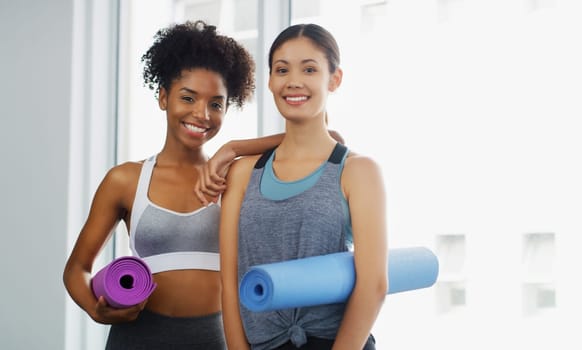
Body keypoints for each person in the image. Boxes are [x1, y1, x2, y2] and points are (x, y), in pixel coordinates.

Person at [62, 20, 298, 350]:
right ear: (163, 97)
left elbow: (328, 139)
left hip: (216, 337)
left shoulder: (233, 176)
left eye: (216, 104)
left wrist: (232, 148)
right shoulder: (126, 180)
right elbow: (76, 270)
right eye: (188, 98)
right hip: (138, 337)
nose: (202, 114)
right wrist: (96, 310)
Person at [217, 23, 388, 350]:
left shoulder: (358, 172)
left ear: (334, 80)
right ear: (270, 80)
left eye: (309, 69)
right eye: (282, 70)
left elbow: (374, 285)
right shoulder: (242, 174)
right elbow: (229, 283)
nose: (293, 81)